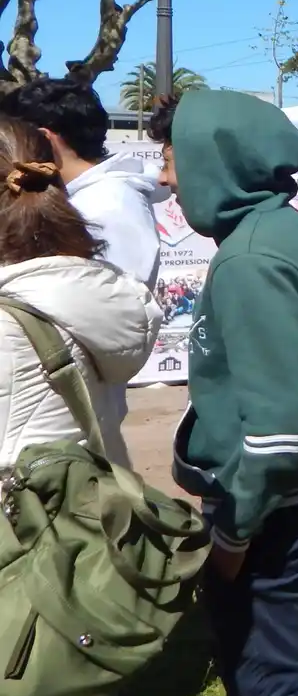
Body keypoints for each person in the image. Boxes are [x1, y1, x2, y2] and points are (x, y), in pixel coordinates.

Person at [158, 91, 298, 696]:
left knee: (265, 679)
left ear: (216, 161)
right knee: (267, 665)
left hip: (268, 503)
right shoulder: (285, 227)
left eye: (174, 160)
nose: (166, 177)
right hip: (294, 491)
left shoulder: (251, 257)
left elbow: (279, 425)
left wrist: (232, 538)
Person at [1, 77, 161, 466]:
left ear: (42, 139)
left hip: (62, 412)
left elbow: (107, 316)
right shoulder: (90, 200)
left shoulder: (105, 206)